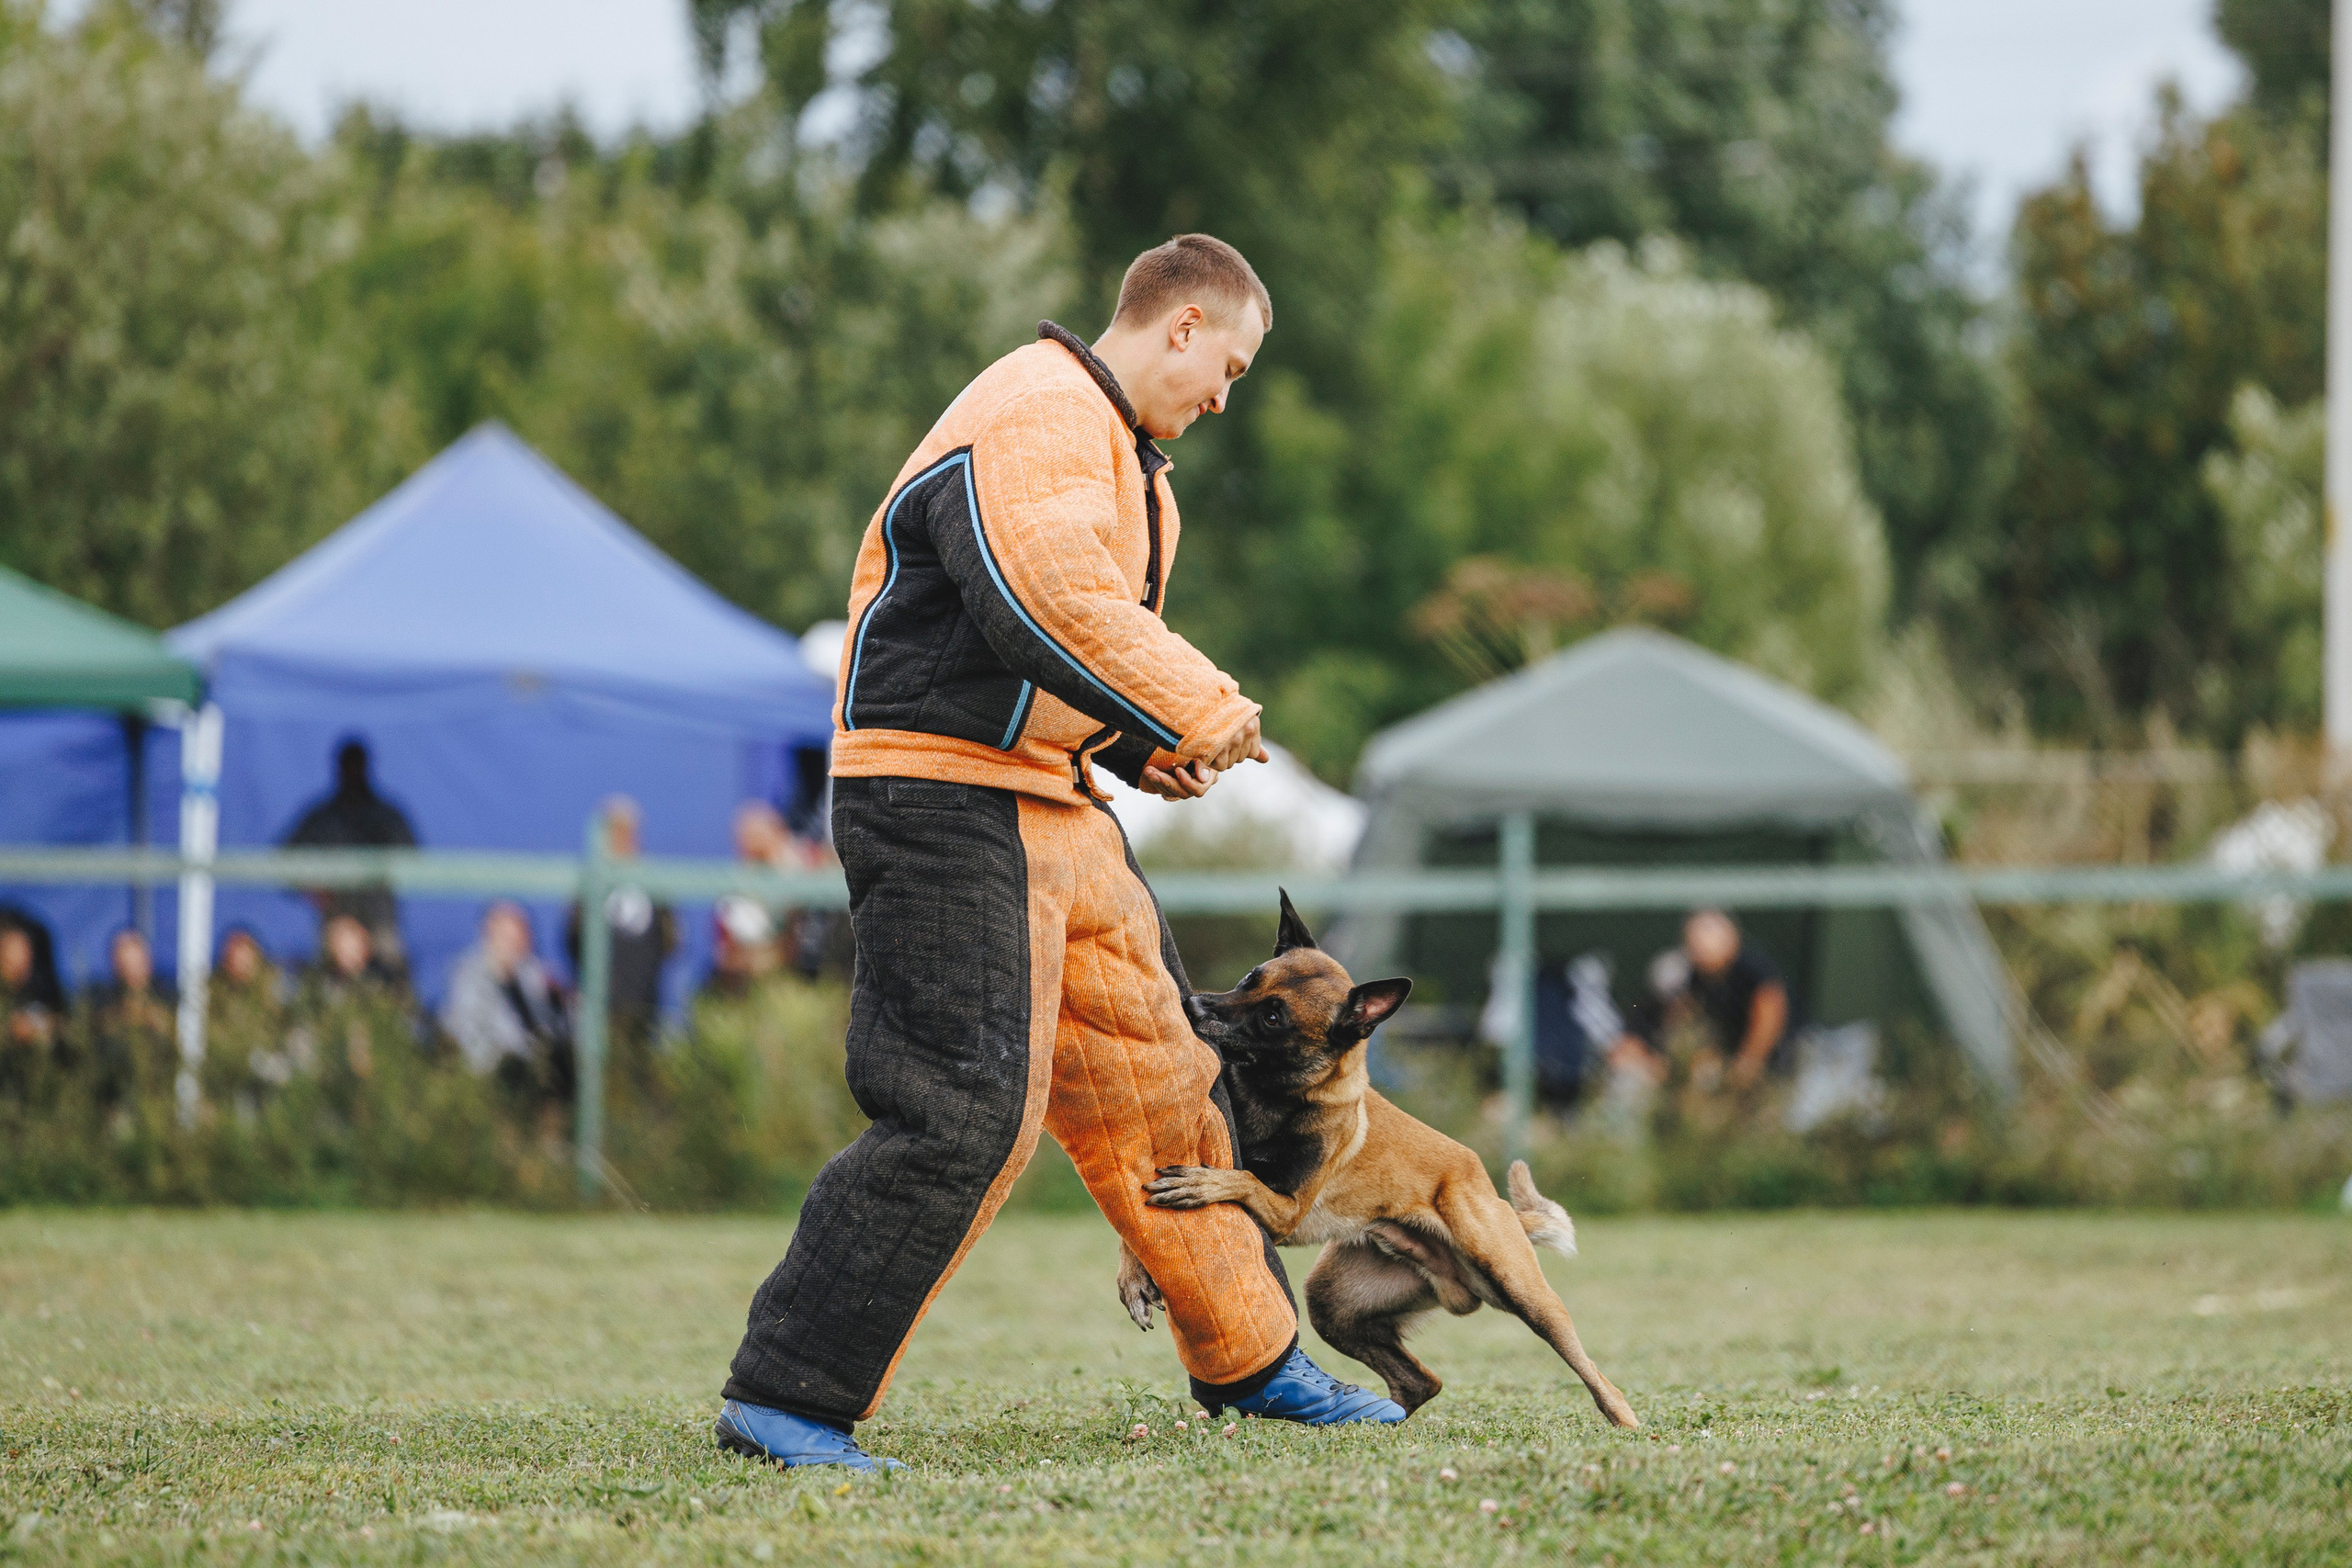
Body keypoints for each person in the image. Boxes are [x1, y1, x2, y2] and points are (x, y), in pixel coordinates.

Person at [713, 234, 1399, 1476]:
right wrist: (1194, 698)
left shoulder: (1137, 466)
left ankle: (1249, 1354)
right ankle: (787, 1391)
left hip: (1048, 799)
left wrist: (1145, 751)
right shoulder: (1035, 409)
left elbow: (1049, 658)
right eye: (1228, 365)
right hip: (935, 795)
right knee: (961, 1104)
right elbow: (1039, 591)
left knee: (1167, 1081)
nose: (1225, 396)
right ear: (1181, 325)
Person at [564, 796, 676, 1097]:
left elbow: (670, 940)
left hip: (645, 1006)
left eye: (629, 833)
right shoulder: (588, 886)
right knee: (601, 1085)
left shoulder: (653, 883)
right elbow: (573, 943)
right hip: (601, 1009)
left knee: (640, 1082)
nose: (623, 840)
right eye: (616, 832)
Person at [1608, 910, 1793, 1090]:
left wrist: (1746, 1065)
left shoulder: (1752, 970)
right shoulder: (1692, 984)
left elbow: (1769, 1008)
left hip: (1783, 1064)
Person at [282, 738, 418, 973]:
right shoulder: (321, 818)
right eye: (348, 765)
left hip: (380, 922)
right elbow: (283, 863)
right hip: (336, 922)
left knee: (391, 983)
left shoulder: (387, 816)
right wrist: (312, 885)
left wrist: (384, 875)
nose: (353, 773)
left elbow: (414, 863)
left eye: (358, 765)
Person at [441, 902, 572, 1106]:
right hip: (495, 1079)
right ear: (489, 935)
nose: (518, 944)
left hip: (542, 1074)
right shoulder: (469, 976)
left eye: (522, 936)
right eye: (509, 937)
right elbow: (472, 1040)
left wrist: (563, 1003)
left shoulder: (535, 973)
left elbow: (556, 1026)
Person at [81, 927, 177, 1110]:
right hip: (113, 1093)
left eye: (135, 963)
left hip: (159, 1090)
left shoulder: (167, 994)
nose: (130, 971)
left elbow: (176, 1032)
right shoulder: (101, 996)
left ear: (148, 962)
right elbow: (90, 1028)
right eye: (124, 964)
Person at [203, 927, 291, 1104]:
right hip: (230, 1072)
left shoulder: (272, 987)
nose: (241, 963)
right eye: (234, 957)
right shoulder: (216, 991)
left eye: (245, 956)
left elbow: (283, 1025)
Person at [0, 911, 66, 1101]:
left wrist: (43, 1027)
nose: (21, 965)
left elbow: (65, 1022)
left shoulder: (39, 991)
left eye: (25, 955)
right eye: (11, 957)